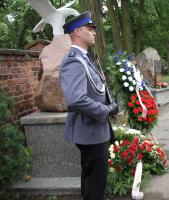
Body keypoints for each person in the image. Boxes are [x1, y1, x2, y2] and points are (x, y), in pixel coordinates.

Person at [59, 11, 119, 200]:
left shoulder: (84, 58)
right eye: (90, 28)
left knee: (92, 178)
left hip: (94, 130)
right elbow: (76, 99)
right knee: (95, 181)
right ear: (77, 31)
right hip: (90, 132)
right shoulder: (74, 61)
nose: (94, 32)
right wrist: (106, 110)